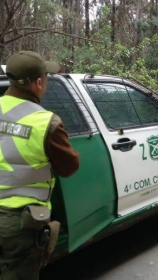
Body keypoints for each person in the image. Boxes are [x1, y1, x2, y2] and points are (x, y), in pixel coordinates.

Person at [0, 51, 80, 280]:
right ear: (38, 84)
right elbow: (69, 167)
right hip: (19, 225)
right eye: (45, 77)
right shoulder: (47, 122)